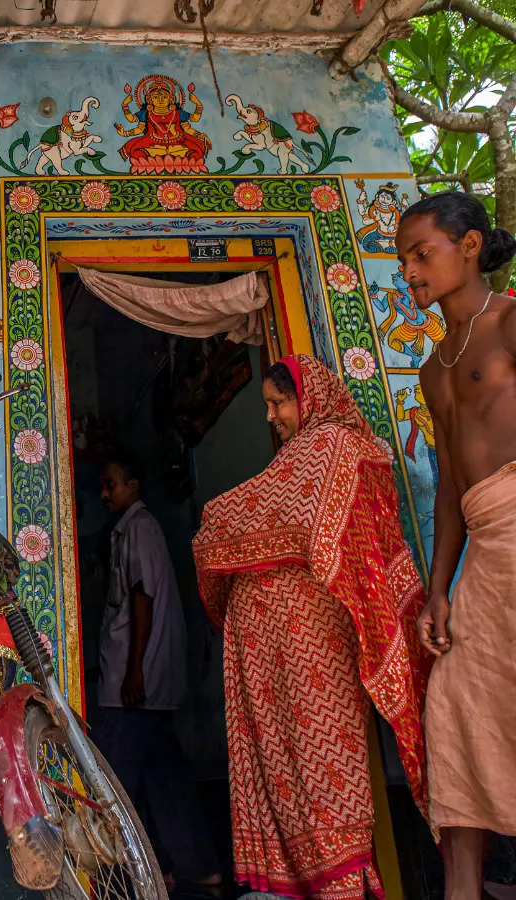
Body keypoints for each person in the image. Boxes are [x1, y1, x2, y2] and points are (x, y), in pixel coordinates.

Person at [193, 355, 430, 899]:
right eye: (269, 405)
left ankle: (342, 880)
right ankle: (314, 878)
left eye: (279, 403)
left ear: (311, 397)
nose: (272, 416)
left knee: (325, 759)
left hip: (315, 640)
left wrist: (213, 528)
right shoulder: (309, 455)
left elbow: (289, 523)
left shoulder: (335, 448)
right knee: (291, 761)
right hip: (287, 639)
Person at [396, 191, 516, 900]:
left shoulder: (508, 323)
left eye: (422, 253)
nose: (409, 271)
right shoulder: (434, 367)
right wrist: (440, 588)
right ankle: (462, 888)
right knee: (454, 705)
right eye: (403, 259)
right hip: (484, 545)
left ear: (469, 246)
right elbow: (445, 489)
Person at [92, 455, 220, 888]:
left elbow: (142, 598)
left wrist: (134, 673)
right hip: (142, 686)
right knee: (165, 778)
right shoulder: (128, 530)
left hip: (131, 687)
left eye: (111, 483)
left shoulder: (139, 528)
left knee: (113, 777)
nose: (105, 494)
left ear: (133, 484)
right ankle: (193, 866)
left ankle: (112, 876)